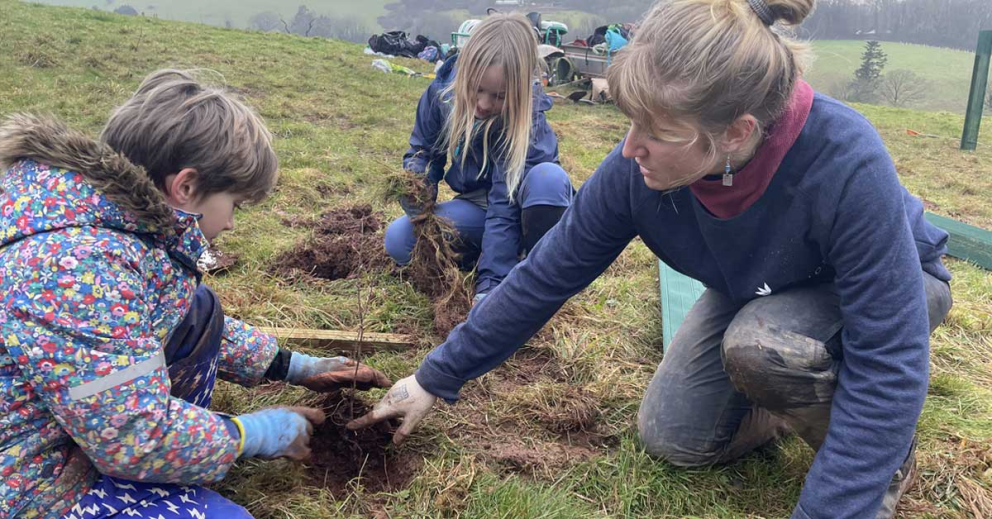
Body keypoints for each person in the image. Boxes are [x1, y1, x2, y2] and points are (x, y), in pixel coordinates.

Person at [350, 0, 954, 517]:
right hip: (756, 286)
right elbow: (544, 276)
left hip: (881, 286)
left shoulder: (844, 162)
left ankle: (882, 453)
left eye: (657, 132)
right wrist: (432, 378)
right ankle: (796, 400)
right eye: (630, 120)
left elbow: (889, 356)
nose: (630, 148)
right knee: (675, 437)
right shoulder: (635, 173)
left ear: (736, 133)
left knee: (763, 347)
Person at [0, 70, 390, 519]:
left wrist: (292, 366)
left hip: (88, 423)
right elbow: (132, 437)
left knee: (200, 310)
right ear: (185, 187)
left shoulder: (120, 228)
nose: (231, 224)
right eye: (234, 205)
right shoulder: (76, 267)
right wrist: (248, 435)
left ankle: (176, 454)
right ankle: (155, 468)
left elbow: (171, 313)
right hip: (34, 481)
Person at [383, 12, 574, 303]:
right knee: (399, 240)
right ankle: (490, 256)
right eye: (477, 89)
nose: (483, 104)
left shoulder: (527, 123)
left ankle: (536, 266)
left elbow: (504, 207)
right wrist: (417, 187)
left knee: (549, 180)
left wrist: (490, 288)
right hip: (477, 206)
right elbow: (423, 151)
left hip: (524, 207)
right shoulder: (442, 94)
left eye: (499, 96)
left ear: (519, 91)